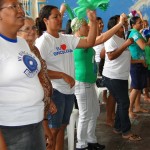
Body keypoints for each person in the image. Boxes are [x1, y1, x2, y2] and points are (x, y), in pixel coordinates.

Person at [70, 12, 129, 150]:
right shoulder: (78, 42)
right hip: (81, 82)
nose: (89, 28)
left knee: (94, 111)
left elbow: (98, 36)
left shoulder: (85, 39)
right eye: (86, 25)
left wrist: (93, 21)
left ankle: (91, 140)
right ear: (78, 28)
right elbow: (101, 38)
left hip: (89, 82)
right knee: (85, 114)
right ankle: (81, 144)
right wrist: (120, 24)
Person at [0, 0, 51, 150]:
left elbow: (30, 82)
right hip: (13, 129)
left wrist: (43, 123)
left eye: (21, 6)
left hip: (35, 122)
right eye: (14, 6)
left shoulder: (21, 43)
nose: (21, 11)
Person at [17, 16, 57, 150]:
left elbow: (41, 78)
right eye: (27, 29)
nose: (32, 31)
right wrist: (45, 122)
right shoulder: (17, 54)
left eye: (33, 27)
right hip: (28, 116)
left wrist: (49, 100)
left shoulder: (34, 50)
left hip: (41, 111)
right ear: (17, 32)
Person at [102, 15, 141, 141]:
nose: (125, 24)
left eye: (124, 22)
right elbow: (111, 56)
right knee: (124, 103)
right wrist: (126, 44)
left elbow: (125, 57)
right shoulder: (111, 38)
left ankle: (118, 127)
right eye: (122, 22)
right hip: (113, 76)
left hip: (121, 76)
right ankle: (126, 131)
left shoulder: (122, 37)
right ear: (116, 25)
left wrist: (139, 61)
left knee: (122, 102)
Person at [128, 14, 150, 119]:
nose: (142, 24)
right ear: (133, 25)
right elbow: (143, 46)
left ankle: (137, 106)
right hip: (136, 63)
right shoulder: (134, 34)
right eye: (139, 23)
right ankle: (129, 109)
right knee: (136, 88)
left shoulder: (138, 33)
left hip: (141, 63)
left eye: (141, 22)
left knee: (139, 87)